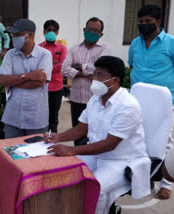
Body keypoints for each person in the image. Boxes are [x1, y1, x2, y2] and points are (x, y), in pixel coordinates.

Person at [45, 56, 150, 214]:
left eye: (100, 75)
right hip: (97, 155)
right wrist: (58, 137)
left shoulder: (128, 106)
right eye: (95, 74)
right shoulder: (96, 99)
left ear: (115, 80)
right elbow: (80, 129)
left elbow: (110, 144)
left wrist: (72, 150)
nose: (94, 78)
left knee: (96, 187)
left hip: (121, 161)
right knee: (62, 171)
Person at [128, 4, 174, 200]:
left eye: (148, 21)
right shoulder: (134, 44)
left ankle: (167, 183)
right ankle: (144, 177)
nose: (143, 25)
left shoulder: (170, 43)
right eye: (141, 22)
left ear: (158, 22)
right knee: (139, 140)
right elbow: (132, 66)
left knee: (166, 141)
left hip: (166, 101)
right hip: (137, 101)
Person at [0, 18, 52, 138]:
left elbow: (38, 82)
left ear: (30, 36)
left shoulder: (45, 55)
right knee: (11, 153)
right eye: (13, 34)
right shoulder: (10, 54)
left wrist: (13, 81)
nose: (14, 37)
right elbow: (3, 80)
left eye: (17, 35)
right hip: (13, 116)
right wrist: (27, 75)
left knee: (36, 154)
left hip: (35, 117)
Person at [61, 17, 110, 146]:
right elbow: (64, 69)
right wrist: (88, 73)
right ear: (84, 30)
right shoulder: (74, 48)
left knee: (96, 135)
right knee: (78, 135)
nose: (92, 33)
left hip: (96, 100)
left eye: (95, 31)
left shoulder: (104, 49)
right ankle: (80, 161)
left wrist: (79, 67)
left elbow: (100, 69)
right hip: (77, 99)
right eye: (89, 30)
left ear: (101, 34)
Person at [39, 20, 67, 133]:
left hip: (56, 88)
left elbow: (62, 66)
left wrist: (47, 64)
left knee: (53, 118)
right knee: (41, 117)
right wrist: (53, 62)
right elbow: (37, 67)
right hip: (41, 88)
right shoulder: (39, 48)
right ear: (44, 32)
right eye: (49, 30)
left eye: (54, 30)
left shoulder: (62, 48)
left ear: (57, 32)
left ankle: (52, 142)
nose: (51, 32)